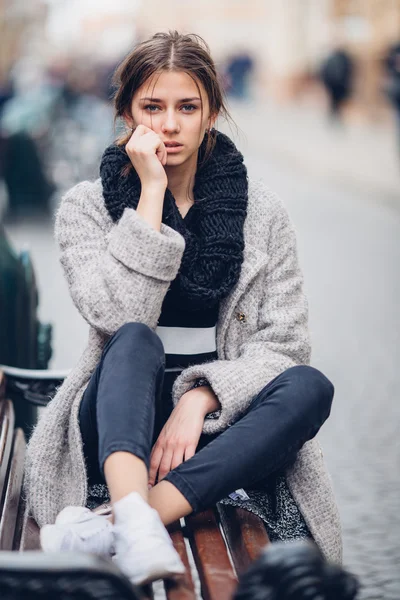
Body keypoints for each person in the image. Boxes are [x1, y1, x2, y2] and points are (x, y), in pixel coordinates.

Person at [25, 31, 341, 587]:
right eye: (152, 106)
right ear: (126, 112)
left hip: (218, 430)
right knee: (135, 338)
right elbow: (117, 313)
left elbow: (285, 343)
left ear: (211, 112)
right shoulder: (86, 207)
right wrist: (149, 194)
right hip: (116, 426)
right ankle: (132, 514)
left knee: (310, 386)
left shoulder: (261, 213)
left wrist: (201, 396)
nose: (169, 125)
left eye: (187, 107)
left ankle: (124, 521)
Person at [320, 47, 354, 121]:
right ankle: (335, 114)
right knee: (335, 100)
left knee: (336, 100)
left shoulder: (334, 58)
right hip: (336, 83)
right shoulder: (340, 58)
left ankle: (336, 114)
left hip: (335, 83)